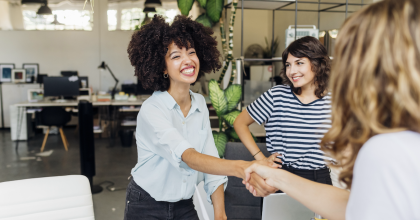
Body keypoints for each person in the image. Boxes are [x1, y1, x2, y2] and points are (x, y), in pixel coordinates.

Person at [243, 0, 420, 219]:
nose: (349, 70)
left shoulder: (384, 149)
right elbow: (353, 208)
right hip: (285, 173)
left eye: (356, 57)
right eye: (288, 64)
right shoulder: (391, 143)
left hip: (320, 175)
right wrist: (271, 171)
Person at [125, 15, 278, 220]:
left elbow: (211, 160)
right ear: (162, 67)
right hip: (146, 204)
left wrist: (220, 214)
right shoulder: (152, 109)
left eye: (191, 52)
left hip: (183, 205)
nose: (188, 60)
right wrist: (243, 167)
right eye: (176, 56)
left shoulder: (199, 104)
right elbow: (188, 157)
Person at [234, 36, 334, 195]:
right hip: (280, 178)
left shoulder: (334, 101)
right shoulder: (277, 96)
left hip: (319, 178)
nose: (292, 71)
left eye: (299, 63)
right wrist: (260, 158)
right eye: (288, 65)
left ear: (318, 64)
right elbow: (239, 122)